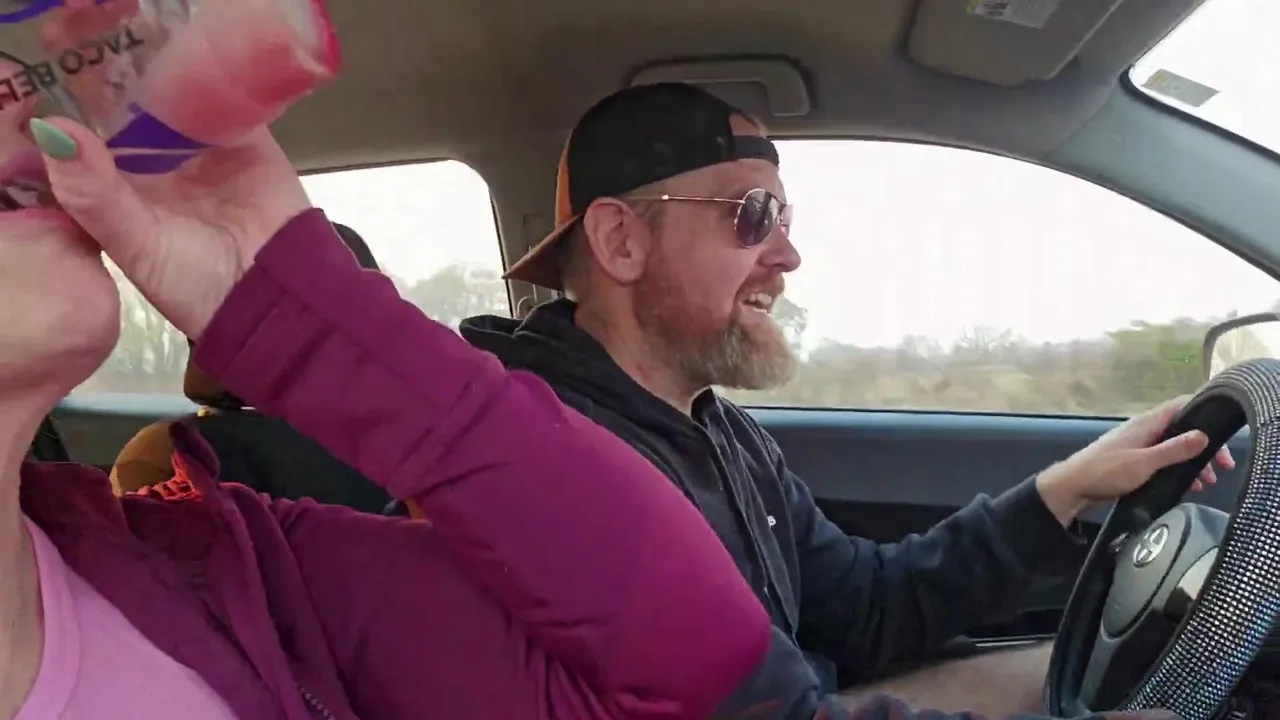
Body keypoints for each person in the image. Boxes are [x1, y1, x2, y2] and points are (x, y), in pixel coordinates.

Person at [0, 83, 775, 717]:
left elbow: (703, 665)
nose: (19, 99)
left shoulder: (220, 563)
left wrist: (302, 327)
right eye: (752, 217)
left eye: (15, 68)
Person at [459, 82, 1232, 716]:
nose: (788, 255)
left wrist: (1068, 487)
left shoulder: (720, 432)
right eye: (752, 215)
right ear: (621, 242)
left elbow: (865, 609)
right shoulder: (557, 465)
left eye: (784, 220)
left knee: (1097, 667)